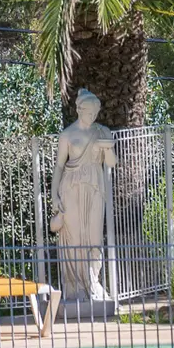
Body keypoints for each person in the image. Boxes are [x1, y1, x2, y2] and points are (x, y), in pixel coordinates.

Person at [51, 88, 115, 301]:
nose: (93, 117)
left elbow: (112, 163)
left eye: (96, 113)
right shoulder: (67, 135)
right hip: (71, 188)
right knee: (75, 237)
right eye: (90, 113)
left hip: (95, 187)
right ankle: (75, 288)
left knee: (94, 236)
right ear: (80, 110)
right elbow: (59, 166)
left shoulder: (102, 131)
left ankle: (93, 283)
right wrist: (54, 196)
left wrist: (106, 148)